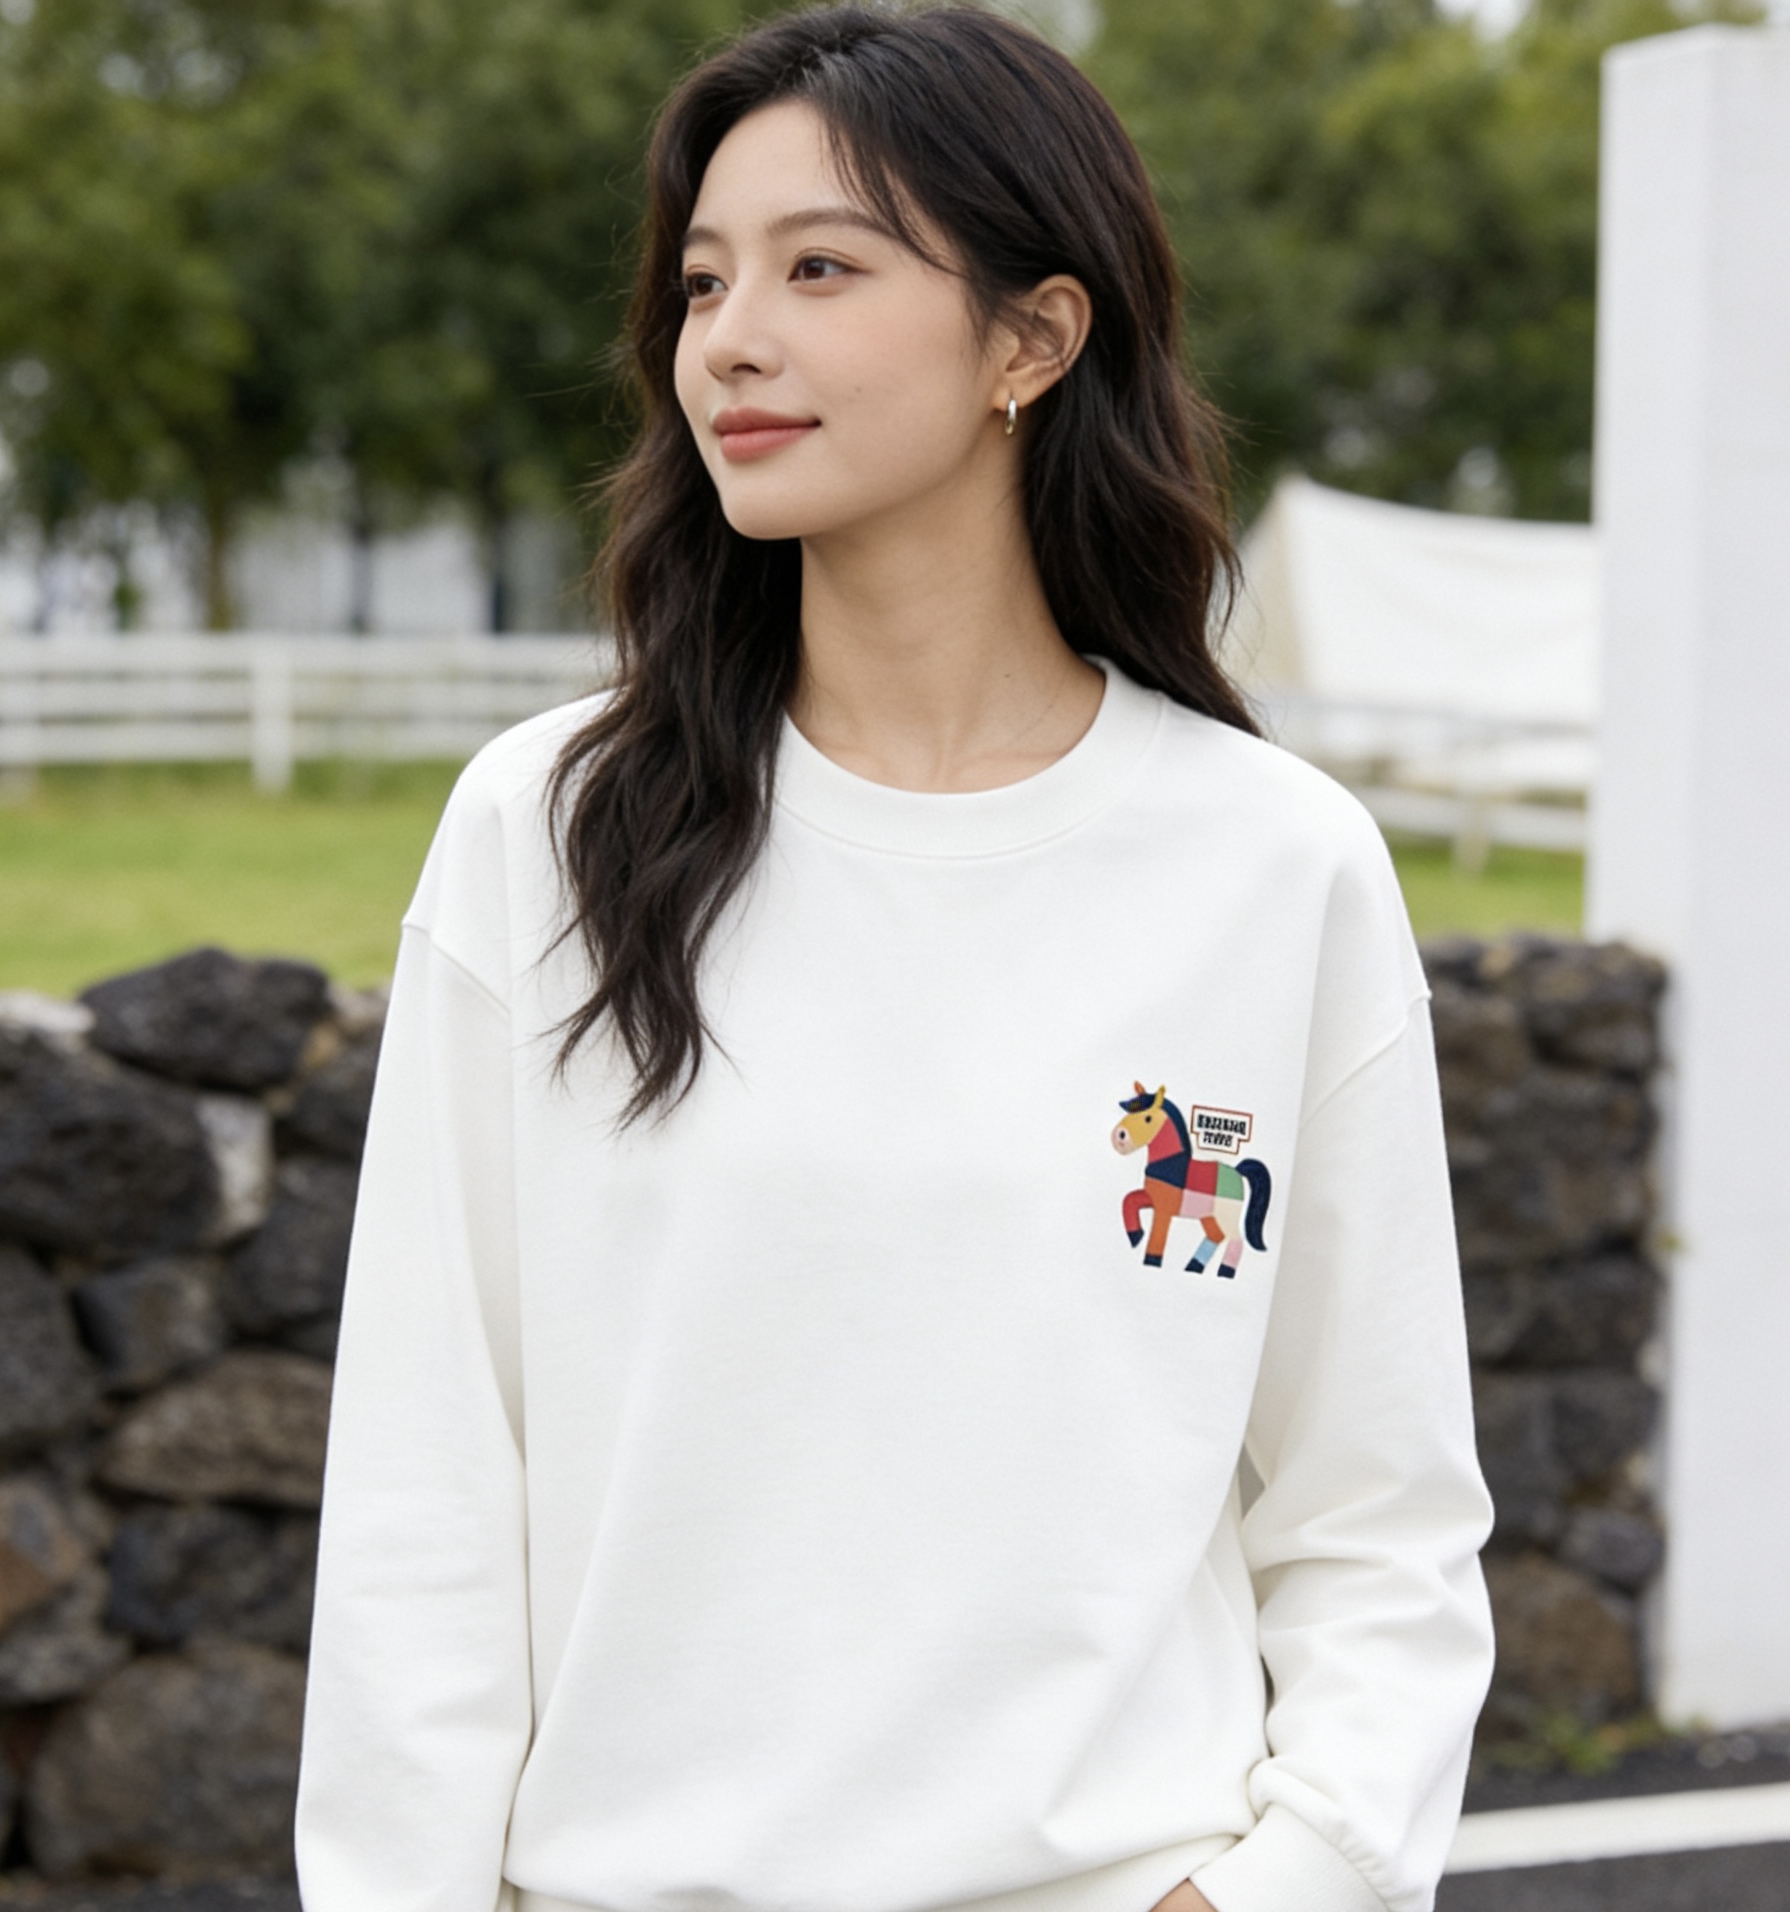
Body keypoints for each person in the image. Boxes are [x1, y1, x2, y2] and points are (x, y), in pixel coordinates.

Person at [292, 7, 1495, 1911]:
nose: (727, 339)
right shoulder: (551, 833)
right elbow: (426, 1494)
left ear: (1033, 338)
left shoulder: (1275, 869)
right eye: (704, 281)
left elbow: (1380, 1513)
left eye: (822, 268)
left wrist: (1288, 1887)